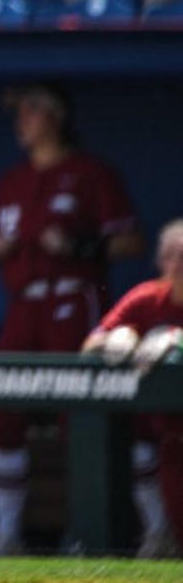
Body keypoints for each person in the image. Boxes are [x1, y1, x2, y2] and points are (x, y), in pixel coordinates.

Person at [0, 82, 144, 556]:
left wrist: (80, 245)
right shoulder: (11, 181)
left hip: (73, 298)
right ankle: (7, 533)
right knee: (1, 410)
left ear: (55, 116)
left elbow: (131, 241)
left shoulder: (89, 172)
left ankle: (85, 532)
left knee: (79, 413)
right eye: (19, 113)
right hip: (23, 303)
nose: (21, 121)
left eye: (30, 111)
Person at [80, 219, 183, 558]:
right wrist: (120, 338)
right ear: (160, 261)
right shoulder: (147, 297)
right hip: (168, 431)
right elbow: (89, 346)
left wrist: (176, 340)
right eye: (172, 255)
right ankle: (159, 533)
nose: (178, 264)